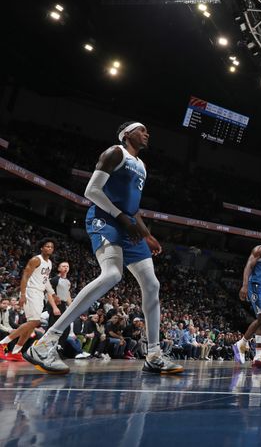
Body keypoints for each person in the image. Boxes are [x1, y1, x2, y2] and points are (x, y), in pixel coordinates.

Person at [25, 121, 183, 374]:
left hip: (128, 223)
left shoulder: (141, 166)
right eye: (141, 130)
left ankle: (153, 354)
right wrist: (121, 218)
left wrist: (146, 234)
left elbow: (133, 207)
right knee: (112, 274)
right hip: (105, 218)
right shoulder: (115, 153)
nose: (147, 133)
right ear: (126, 134)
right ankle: (46, 342)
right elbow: (92, 190)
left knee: (152, 285)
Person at [0, 239, 61, 361]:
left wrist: (53, 293)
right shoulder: (36, 260)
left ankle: (16, 351)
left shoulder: (49, 263)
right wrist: (22, 294)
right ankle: (3, 343)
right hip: (31, 291)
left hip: (39, 294)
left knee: (32, 325)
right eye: (47, 246)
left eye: (51, 247)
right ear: (41, 248)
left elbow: (46, 280)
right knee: (34, 322)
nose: (49, 248)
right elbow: (25, 276)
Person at [232, 232, 261, 369]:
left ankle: (258, 356)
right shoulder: (259, 249)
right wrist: (245, 285)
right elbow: (248, 266)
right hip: (256, 287)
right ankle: (241, 343)